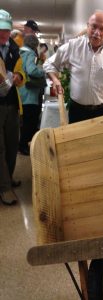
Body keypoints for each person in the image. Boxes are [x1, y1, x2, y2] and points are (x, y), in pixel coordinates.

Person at [43, 10, 103, 123]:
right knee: (76, 140)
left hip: (102, 113)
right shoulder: (73, 47)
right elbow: (49, 64)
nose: (96, 32)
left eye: (102, 29)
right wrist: (55, 80)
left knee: (100, 141)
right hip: (77, 111)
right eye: (93, 27)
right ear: (87, 26)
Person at [0, 9, 25, 205]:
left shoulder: (16, 50)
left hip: (12, 104)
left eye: (6, 30)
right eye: (0, 29)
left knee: (12, 145)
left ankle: (7, 177)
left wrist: (19, 77)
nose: (3, 33)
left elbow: (22, 72)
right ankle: (5, 188)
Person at [18, 34, 45, 156]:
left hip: (21, 92)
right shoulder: (30, 54)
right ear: (35, 45)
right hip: (30, 94)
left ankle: (22, 144)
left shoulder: (19, 53)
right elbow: (32, 70)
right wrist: (42, 70)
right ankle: (24, 146)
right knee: (31, 122)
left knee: (25, 121)